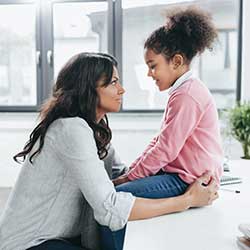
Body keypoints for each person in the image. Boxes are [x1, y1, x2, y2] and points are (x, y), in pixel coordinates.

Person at [0, 52, 218, 250]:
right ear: (88, 89)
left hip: (61, 238)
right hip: (30, 243)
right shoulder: (70, 129)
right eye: (113, 82)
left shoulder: (93, 133)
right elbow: (110, 208)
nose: (121, 89)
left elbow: (121, 176)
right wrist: (187, 200)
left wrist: (174, 178)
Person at [106, 6, 223, 250]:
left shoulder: (187, 94)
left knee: (117, 199)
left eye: (153, 65)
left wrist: (130, 177)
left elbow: (166, 149)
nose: (149, 74)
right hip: (178, 173)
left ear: (177, 61)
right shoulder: (183, 91)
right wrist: (132, 171)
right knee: (121, 185)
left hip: (185, 179)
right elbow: (161, 141)